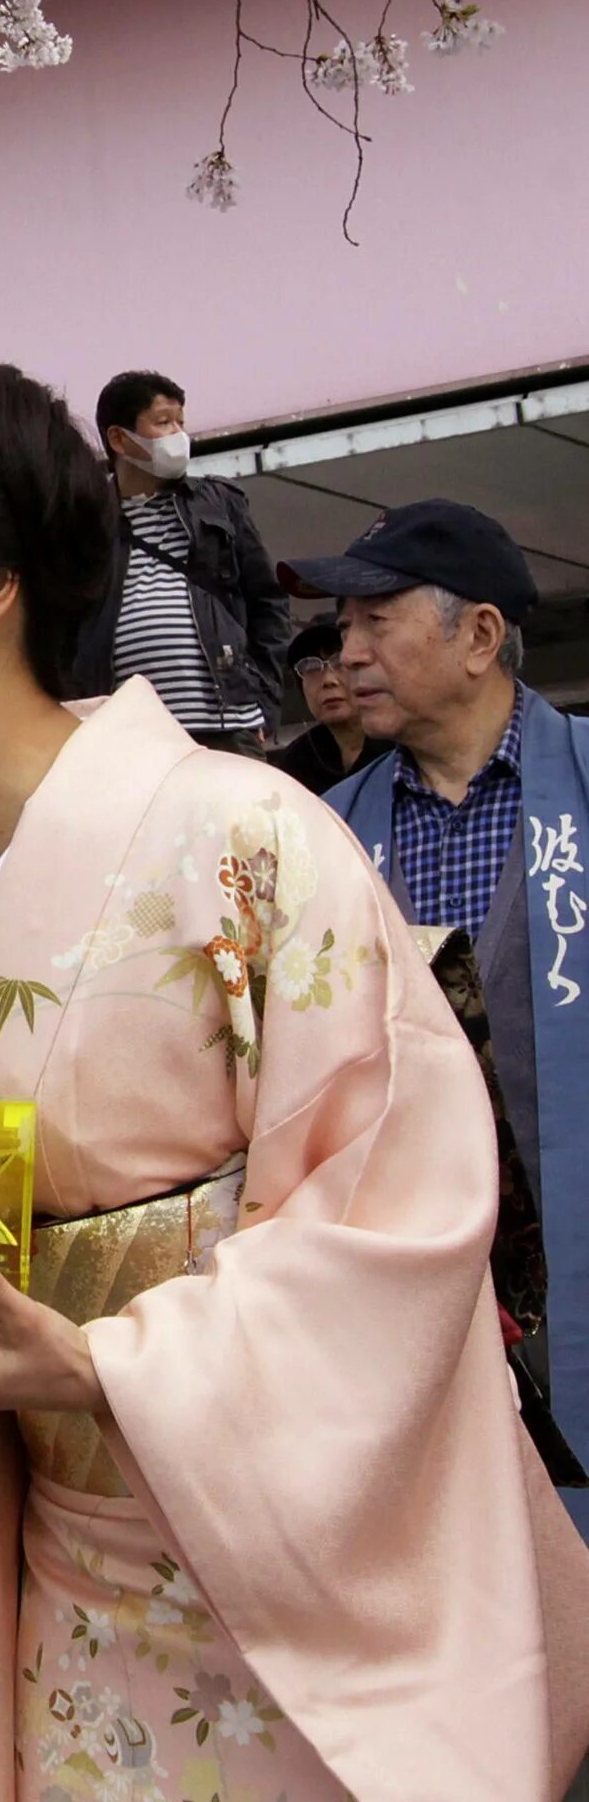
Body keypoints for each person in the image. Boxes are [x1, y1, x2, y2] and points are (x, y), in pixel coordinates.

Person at [0, 343, 587, 1802]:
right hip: (38, 1574)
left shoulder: (245, 838)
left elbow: (406, 1213)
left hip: (282, 1597)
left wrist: (107, 1357)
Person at [293, 498, 589, 1540]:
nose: (348, 651)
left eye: (377, 620)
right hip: (416, 1287)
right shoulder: (318, 836)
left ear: (479, 636)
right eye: (343, 627)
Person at [71, 368, 290, 748]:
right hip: (130, 737)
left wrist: (264, 704)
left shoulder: (219, 501)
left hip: (228, 722)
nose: (178, 435)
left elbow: (267, 603)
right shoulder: (86, 522)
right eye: (163, 422)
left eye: (180, 423)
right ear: (119, 439)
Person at [266, 620, 379, 796]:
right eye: (310, 667)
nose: (328, 680)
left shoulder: (401, 746)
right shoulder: (298, 762)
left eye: (339, 663)